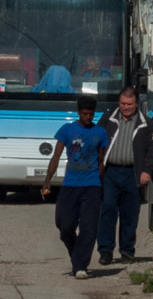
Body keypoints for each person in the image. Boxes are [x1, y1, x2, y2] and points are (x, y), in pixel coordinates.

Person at [40, 95, 110, 278]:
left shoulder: (100, 133)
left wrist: (102, 186)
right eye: (85, 114)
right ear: (79, 112)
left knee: (88, 227)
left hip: (92, 184)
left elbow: (101, 161)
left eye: (91, 114)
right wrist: (48, 179)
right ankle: (77, 254)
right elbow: (56, 156)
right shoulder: (67, 130)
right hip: (70, 184)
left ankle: (80, 266)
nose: (88, 117)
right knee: (64, 225)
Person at [97, 86, 153, 264]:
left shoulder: (146, 124)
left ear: (136, 103)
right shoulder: (109, 118)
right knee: (107, 210)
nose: (125, 107)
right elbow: (97, 138)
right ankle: (105, 251)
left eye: (129, 104)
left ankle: (127, 251)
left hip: (133, 173)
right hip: (111, 172)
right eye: (122, 103)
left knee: (130, 214)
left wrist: (147, 171)